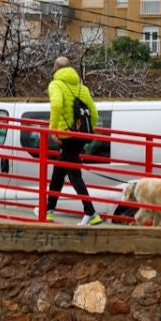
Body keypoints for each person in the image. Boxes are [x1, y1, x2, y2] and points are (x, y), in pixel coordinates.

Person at [45, 57, 102, 225]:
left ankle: (91, 213)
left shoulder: (55, 84)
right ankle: (49, 210)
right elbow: (94, 113)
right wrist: (87, 131)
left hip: (67, 135)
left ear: (55, 68)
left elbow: (56, 105)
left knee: (74, 175)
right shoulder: (82, 88)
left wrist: (53, 130)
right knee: (58, 173)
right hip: (80, 136)